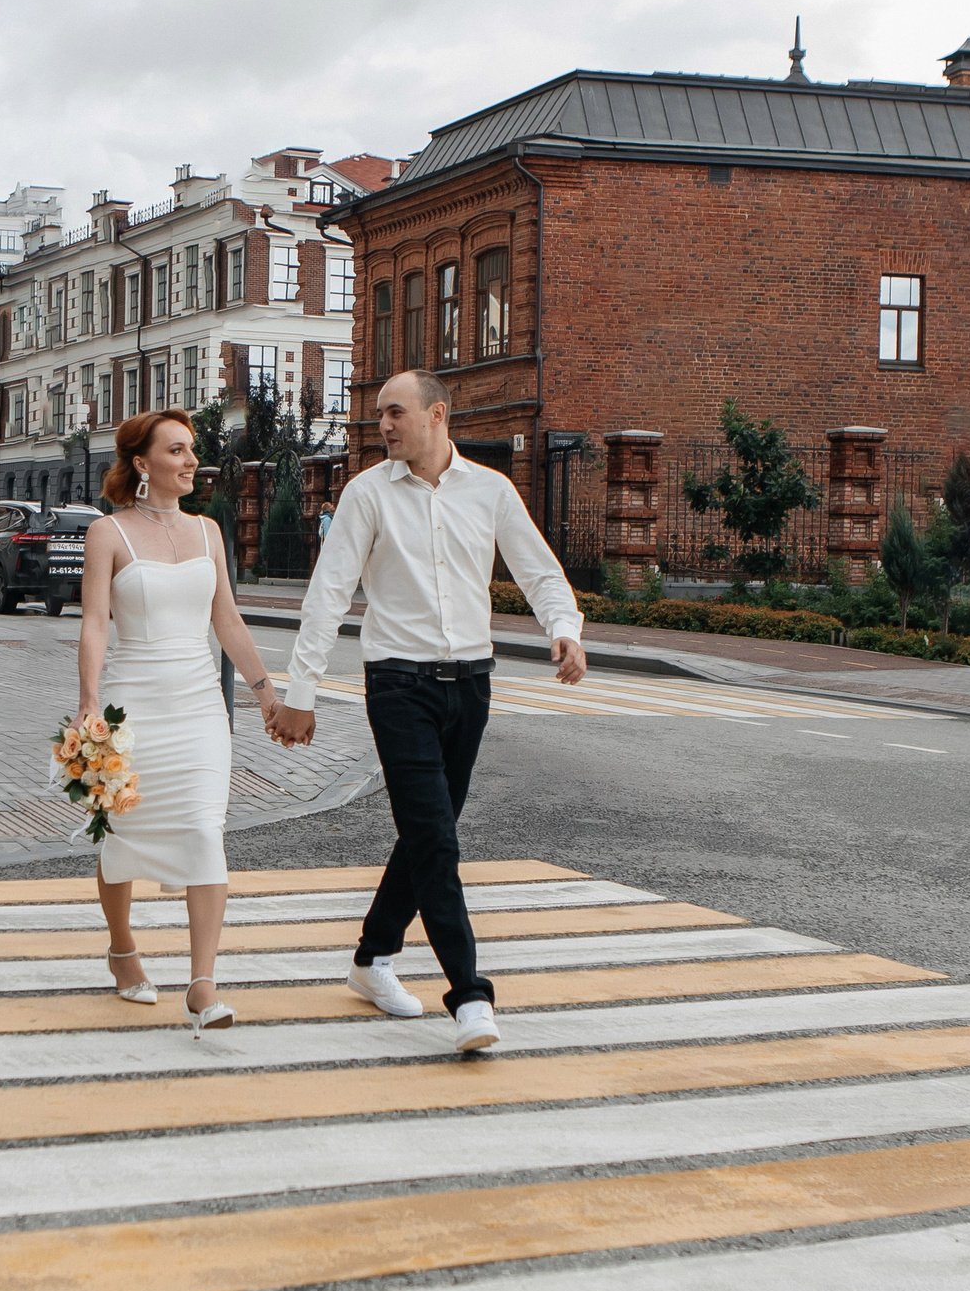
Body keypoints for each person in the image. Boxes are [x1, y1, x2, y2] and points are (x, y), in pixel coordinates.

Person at [273, 371, 587, 1052]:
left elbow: (536, 568)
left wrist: (563, 627)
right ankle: (471, 996)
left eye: (395, 412)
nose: (383, 424)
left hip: (470, 683)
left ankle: (371, 956)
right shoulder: (367, 494)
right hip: (397, 685)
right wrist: (302, 692)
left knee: (429, 833)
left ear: (436, 415)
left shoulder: (491, 490)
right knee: (438, 840)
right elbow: (329, 594)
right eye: (381, 413)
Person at [74, 408, 289, 1035]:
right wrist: (89, 701)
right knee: (119, 837)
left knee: (203, 829)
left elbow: (227, 621)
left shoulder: (208, 532)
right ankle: (122, 949)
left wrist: (264, 693)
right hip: (132, 705)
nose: (192, 461)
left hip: (199, 708)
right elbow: (94, 623)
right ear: (143, 464)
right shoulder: (107, 534)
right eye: (178, 450)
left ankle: (202, 984)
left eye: (192, 449)